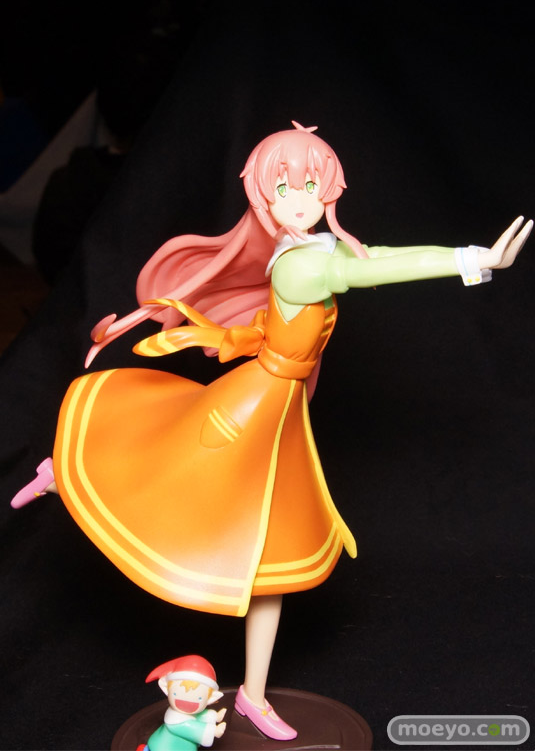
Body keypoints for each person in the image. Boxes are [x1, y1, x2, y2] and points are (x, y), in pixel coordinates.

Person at [10, 122, 532, 741]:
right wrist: (470, 259)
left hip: (279, 409)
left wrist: (470, 258)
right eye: (283, 188)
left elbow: (331, 285)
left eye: (311, 184)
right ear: (262, 197)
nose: (300, 198)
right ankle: (65, 474)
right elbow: (379, 268)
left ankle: (254, 695)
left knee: (269, 563)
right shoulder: (305, 267)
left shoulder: (304, 251)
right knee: (173, 478)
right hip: (256, 406)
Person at [140, 654, 226, 751]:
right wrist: (214, 731)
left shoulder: (185, 715)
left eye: (199, 698)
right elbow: (191, 728)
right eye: (175, 694)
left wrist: (214, 716)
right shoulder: (175, 721)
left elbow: (196, 716)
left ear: (210, 698)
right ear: (166, 688)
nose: (186, 702)